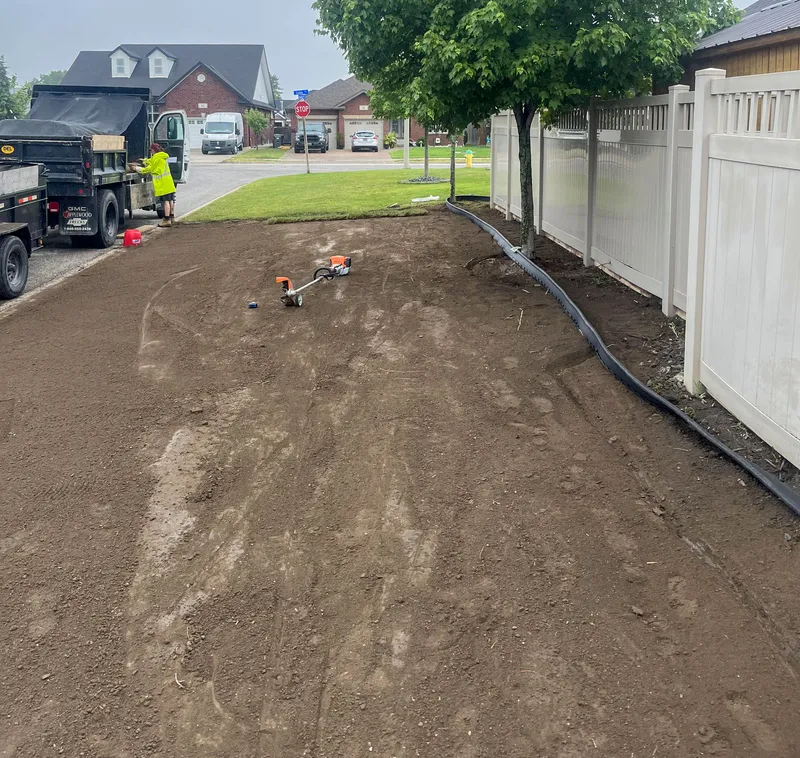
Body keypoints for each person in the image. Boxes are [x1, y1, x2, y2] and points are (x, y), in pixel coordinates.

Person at [137, 143, 176, 228]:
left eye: (151, 150)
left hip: (163, 183)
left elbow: (150, 169)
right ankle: (172, 216)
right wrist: (143, 161)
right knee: (170, 200)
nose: (151, 152)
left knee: (166, 201)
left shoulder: (157, 158)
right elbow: (151, 161)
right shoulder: (162, 156)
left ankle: (166, 219)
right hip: (168, 182)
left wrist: (138, 169)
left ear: (153, 150)